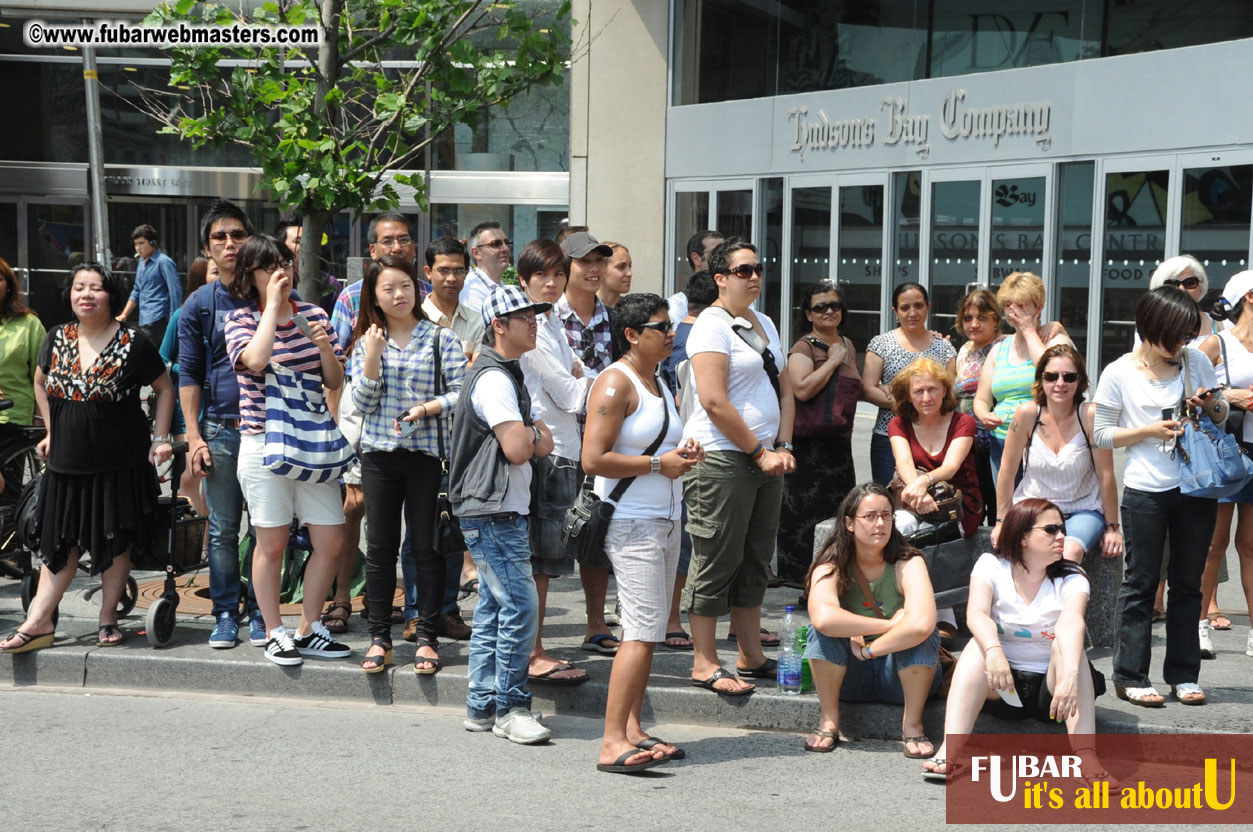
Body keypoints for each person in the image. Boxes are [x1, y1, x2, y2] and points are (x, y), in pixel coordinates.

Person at [1, 263, 175, 654]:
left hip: (120, 460)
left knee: (116, 540)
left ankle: (107, 616)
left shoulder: (134, 342)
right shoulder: (57, 336)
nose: (86, 294)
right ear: (71, 295)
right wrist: (50, 430)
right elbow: (41, 381)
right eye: (79, 287)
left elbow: (165, 388)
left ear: (111, 295)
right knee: (61, 541)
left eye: (95, 287)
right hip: (66, 462)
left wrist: (160, 438)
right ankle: (39, 620)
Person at [583, 293, 702, 774]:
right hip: (633, 521)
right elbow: (593, 458)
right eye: (662, 327)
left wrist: (682, 455)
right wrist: (659, 463)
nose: (672, 334)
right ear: (633, 335)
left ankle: (633, 729)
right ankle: (611, 742)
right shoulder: (616, 382)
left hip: (664, 517)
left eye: (671, 326)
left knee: (648, 633)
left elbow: (661, 449)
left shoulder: (658, 379)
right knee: (638, 632)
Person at [1093, 286, 1226, 706]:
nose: (1182, 344)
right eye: (1176, 335)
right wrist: (1147, 431)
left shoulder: (1196, 361)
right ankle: (1130, 674)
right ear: (1151, 329)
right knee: (1140, 583)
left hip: (1196, 487)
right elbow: (1101, 434)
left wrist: (1209, 405)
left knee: (1189, 584)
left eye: (1187, 335)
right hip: (1146, 488)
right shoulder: (1119, 372)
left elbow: (1222, 412)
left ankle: (1184, 675)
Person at [223, 234, 352, 667]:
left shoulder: (314, 314)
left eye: (286, 262)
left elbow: (335, 381)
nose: (282, 271)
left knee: (331, 539)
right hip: (263, 441)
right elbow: (255, 362)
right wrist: (273, 309)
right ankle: (275, 629)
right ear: (249, 275)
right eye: (269, 265)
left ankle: (309, 626)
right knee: (272, 542)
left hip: (312, 441)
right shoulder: (240, 320)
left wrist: (319, 344)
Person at [923, 499, 1106, 783]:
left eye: (1062, 529)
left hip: (1055, 692)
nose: (1062, 536)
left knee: (1070, 649)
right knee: (976, 648)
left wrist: (1069, 676)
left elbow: (1072, 621)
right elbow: (976, 614)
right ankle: (950, 752)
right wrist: (995, 652)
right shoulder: (991, 566)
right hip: (1004, 686)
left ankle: (1087, 758)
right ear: (1022, 536)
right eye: (1051, 529)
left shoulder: (1072, 576)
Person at [683, 239, 795, 696]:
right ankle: (704, 660)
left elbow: (785, 388)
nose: (753, 277)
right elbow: (712, 400)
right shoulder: (710, 326)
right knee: (715, 557)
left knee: (755, 559)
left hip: (765, 456)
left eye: (758, 269)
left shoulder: (763, 321)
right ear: (720, 278)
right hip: (723, 458)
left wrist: (782, 443)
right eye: (743, 270)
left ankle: (750, 654)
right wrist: (757, 450)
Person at [350, 255, 466, 675]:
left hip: (425, 457)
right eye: (388, 288)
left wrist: (428, 407)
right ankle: (380, 636)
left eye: (405, 285)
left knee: (426, 548)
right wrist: (372, 358)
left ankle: (428, 636)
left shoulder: (440, 339)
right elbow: (360, 405)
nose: (399, 294)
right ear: (375, 298)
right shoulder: (366, 341)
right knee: (379, 549)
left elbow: (462, 392)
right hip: (379, 455)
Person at [452, 284, 556, 745]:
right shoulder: (494, 378)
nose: (534, 323)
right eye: (526, 317)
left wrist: (532, 434)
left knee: (497, 607)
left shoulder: (502, 373)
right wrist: (537, 432)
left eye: (536, 316)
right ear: (499, 325)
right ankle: (510, 707)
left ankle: (481, 705)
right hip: (493, 509)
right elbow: (519, 448)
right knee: (519, 604)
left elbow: (527, 443)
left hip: (494, 507)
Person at [178, 199, 265, 648]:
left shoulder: (270, 292)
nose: (230, 244)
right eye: (219, 237)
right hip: (223, 430)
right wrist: (194, 438)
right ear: (207, 249)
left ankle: (264, 613)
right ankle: (226, 612)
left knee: (269, 527)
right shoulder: (199, 304)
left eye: (237, 235)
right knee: (225, 529)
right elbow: (188, 374)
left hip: (271, 430)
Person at [802, 484, 939, 755]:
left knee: (924, 634)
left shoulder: (909, 562)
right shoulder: (830, 564)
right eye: (871, 516)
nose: (881, 523)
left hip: (899, 675)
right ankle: (829, 720)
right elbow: (824, 617)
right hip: (849, 677)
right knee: (818, 632)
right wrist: (891, 624)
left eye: (887, 516)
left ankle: (912, 725)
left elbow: (922, 623)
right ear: (849, 523)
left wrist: (868, 650)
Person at [517, 239, 594, 685]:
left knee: (546, 561)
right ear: (523, 280)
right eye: (541, 275)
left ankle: (533, 646)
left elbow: (577, 376)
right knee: (540, 562)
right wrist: (585, 381)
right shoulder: (533, 327)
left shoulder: (551, 324)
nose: (551, 283)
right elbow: (569, 392)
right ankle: (533, 651)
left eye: (558, 275)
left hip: (561, 449)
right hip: (546, 452)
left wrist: (580, 378)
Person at [992, 345, 1122, 564]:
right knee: (1034, 553)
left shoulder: (1090, 415)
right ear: (1041, 379)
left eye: (1069, 377)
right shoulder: (1027, 414)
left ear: (1080, 381)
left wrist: (1113, 527)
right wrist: (1001, 521)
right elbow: (1007, 470)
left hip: (1083, 510)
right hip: (1035, 508)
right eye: (1052, 376)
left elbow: (1106, 474)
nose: (1060, 383)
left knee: (1068, 554)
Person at [555, 230, 619, 654]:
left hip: (605, 444)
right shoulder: (546, 319)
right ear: (565, 268)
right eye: (584, 262)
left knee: (598, 535)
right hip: (558, 444)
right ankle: (533, 636)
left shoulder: (615, 319)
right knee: (541, 541)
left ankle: (596, 623)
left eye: (600, 260)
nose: (594, 269)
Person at [418, 235, 483, 638]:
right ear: (428, 273)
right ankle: (416, 611)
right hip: (420, 438)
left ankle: (447, 610)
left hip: (461, 441)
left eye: (459, 270)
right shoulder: (413, 314)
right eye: (443, 270)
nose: (452, 277)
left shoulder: (475, 319)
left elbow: (475, 377)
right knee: (419, 533)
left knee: (452, 529)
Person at [778, 280, 859, 586]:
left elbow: (856, 389)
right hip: (807, 445)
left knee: (837, 513)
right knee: (803, 517)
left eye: (835, 305)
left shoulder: (848, 344)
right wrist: (834, 360)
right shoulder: (804, 347)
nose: (829, 311)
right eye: (820, 307)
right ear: (808, 314)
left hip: (839, 446)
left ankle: (831, 576)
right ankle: (800, 580)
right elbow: (801, 388)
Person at [1199, 270, 1253, 659]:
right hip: (1225, 449)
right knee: (1214, 543)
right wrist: (1229, 394)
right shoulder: (1215, 344)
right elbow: (1189, 389)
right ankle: (1198, 624)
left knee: (1250, 546)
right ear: (1250, 297)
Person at [974, 271, 1069, 481]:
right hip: (1002, 440)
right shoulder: (1000, 348)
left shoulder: (1054, 339)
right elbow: (982, 398)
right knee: (1007, 507)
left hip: (1042, 440)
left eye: (1022, 305)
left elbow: (1050, 372)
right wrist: (984, 415)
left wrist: (1028, 331)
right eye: (1008, 305)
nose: (1013, 311)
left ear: (1039, 306)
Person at [862, 283, 956, 486]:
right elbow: (868, 388)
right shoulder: (881, 344)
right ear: (895, 310)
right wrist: (909, 405)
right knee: (889, 501)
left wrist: (921, 406)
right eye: (905, 307)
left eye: (918, 306)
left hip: (934, 437)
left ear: (928, 307)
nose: (912, 313)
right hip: (887, 437)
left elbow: (951, 393)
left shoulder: (944, 347)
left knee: (932, 500)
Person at [888, 358, 983, 540]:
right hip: (916, 499)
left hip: (957, 502)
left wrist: (924, 482)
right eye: (918, 391)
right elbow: (904, 463)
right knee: (899, 526)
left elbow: (950, 467)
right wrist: (920, 493)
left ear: (944, 391)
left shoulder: (963, 422)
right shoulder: (898, 424)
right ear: (908, 396)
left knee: (927, 534)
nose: (926, 398)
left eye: (932, 389)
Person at [158, 256, 215, 523]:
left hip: (219, 408)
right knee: (190, 476)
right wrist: (188, 371)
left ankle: (205, 541)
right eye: (214, 272)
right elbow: (162, 360)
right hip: (186, 408)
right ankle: (193, 538)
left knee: (211, 480)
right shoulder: (182, 315)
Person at [953, 289, 1004, 525]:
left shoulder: (1005, 346)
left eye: (982, 317)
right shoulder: (964, 350)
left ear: (996, 320)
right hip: (967, 442)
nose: (974, 324)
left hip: (995, 439)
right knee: (972, 503)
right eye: (968, 318)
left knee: (996, 503)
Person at [117, 223, 182, 347]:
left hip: (158, 317)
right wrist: (124, 314)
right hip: (144, 318)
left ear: (152, 243)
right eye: (136, 244)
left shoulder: (164, 262)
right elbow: (137, 290)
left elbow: (175, 292)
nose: (138, 248)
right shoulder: (141, 262)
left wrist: (174, 321)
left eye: (141, 243)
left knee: (142, 352)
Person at [0, 256, 47, 426]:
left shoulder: (29, 324)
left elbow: (44, 377)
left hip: (15, 416)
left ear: (8, 287)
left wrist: (42, 419)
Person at [275, 215, 343, 316]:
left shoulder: (329, 283)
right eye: (298, 241)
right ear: (281, 245)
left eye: (308, 241)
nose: (304, 245)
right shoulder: (273, 280)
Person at [668, 229, 723, 326]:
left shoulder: (736, 299)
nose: (723, 258)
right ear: (696, 258)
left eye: (726, 252)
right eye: (716, 253)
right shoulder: (677, 305)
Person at [460, 221, 513, 312]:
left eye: (506, 242)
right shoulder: (471, 291)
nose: (505, 248)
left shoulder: (501, 286)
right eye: (496, 244)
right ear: (477, 253)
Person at [599, 242, 632, 309]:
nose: (630, 273)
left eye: (630, 266)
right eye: (621, 267)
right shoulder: (584, 309)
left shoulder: (633, 311)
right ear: (601, 269)